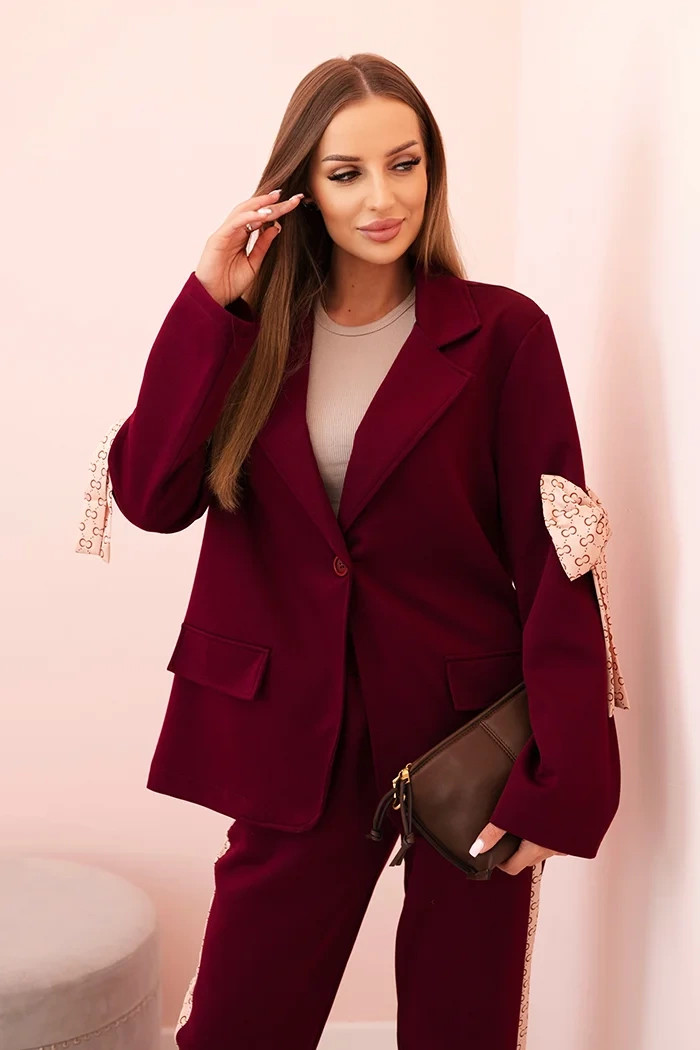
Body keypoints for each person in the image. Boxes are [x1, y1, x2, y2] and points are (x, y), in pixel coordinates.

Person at [76, 51, 629, 1050]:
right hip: (292, 733)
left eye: (404, 163)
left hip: (468, 739)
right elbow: (151, 497)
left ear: (432, 169)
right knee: (237, 1026)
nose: (383, 198)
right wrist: (208, 303)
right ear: (300, 188)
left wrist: (567, 776)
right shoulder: (250, 335)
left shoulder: (504, 334)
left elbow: (559, 558)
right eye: (347, 173)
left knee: (462, 1030)